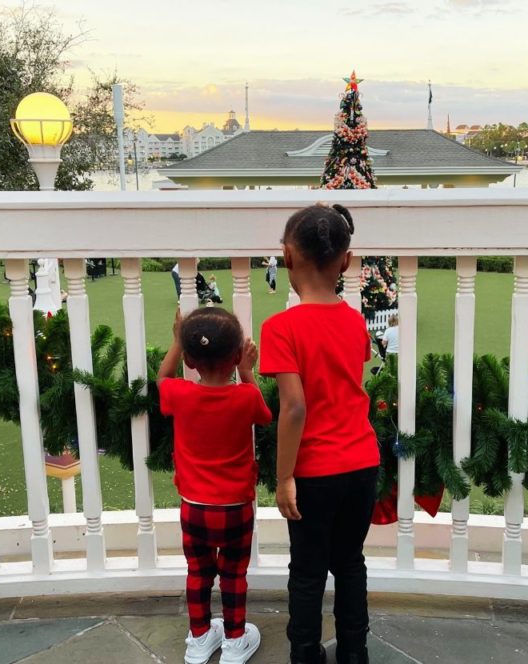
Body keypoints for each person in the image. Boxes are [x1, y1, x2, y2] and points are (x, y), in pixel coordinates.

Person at [259, 203, 379, 664]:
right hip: (361, 464)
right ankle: (354, 653)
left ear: (288, 256)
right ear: (345, 261)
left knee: (308, 573)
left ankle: (306, 655)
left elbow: (294, 409)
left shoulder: (281, 328)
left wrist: (284, 477)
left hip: (313, 473)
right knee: (350, 564)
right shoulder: (354, 320)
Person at [157, 307, 271, 664]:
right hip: (236, 507)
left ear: (190, 360)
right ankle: (235, 641)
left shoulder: (180, 394)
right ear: (236, 355)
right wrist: (247, 372)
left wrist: (177, 341)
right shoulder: (246, 397)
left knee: (198, 573)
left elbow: (163, 377)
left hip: (194, 507)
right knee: (234, 574)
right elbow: (265, 417)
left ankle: (200, 637)